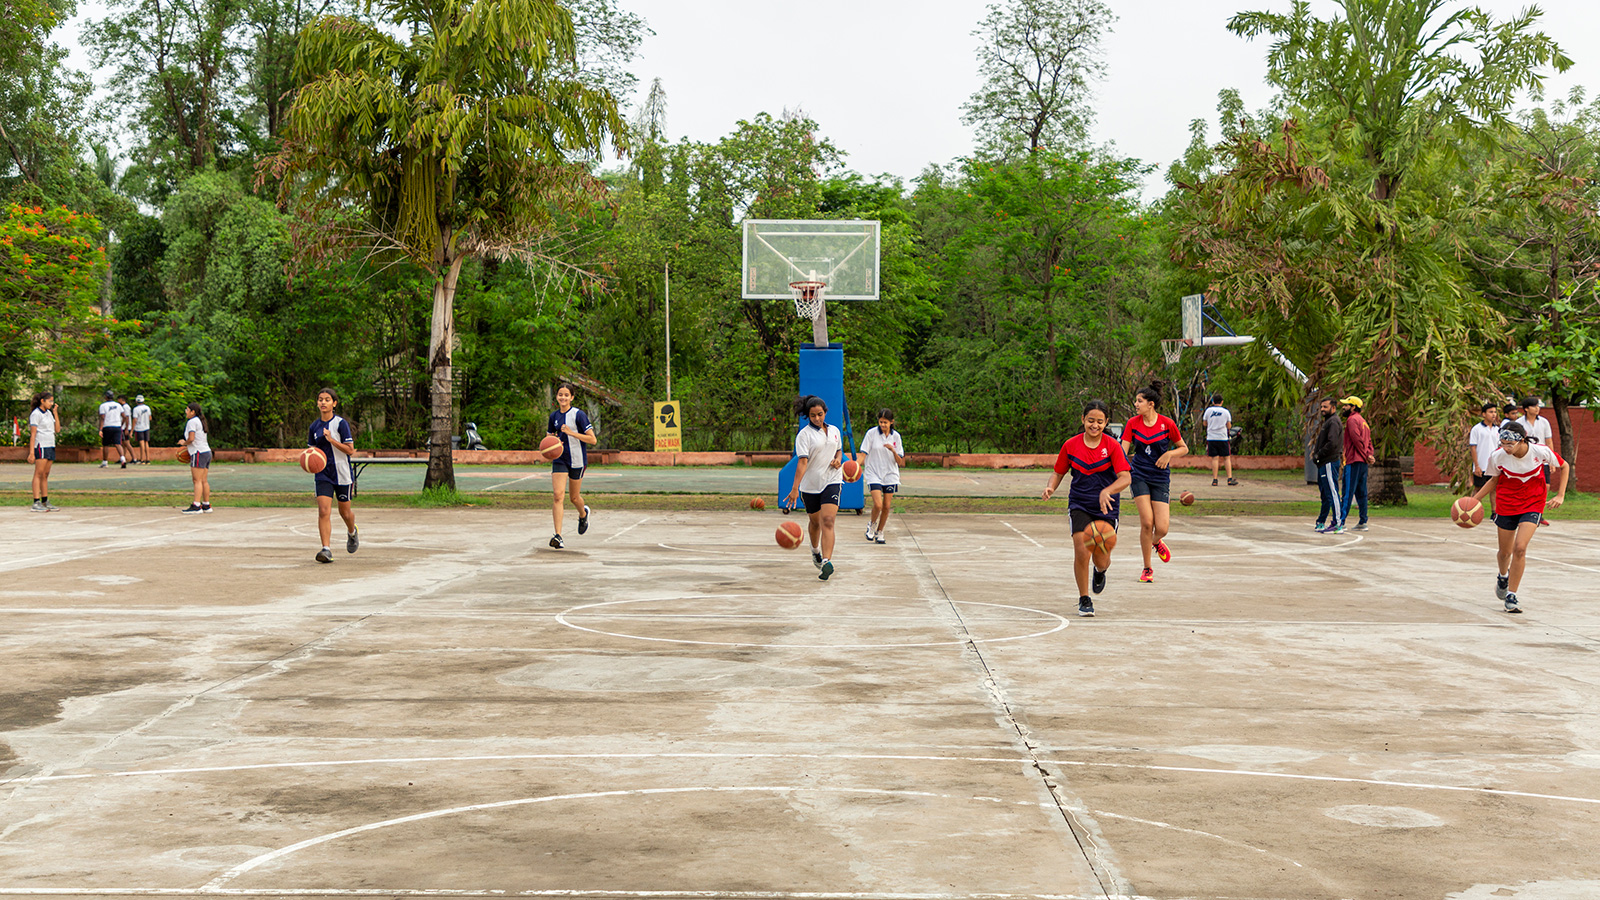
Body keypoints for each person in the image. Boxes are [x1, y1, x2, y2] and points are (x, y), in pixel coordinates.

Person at [1042, 400, 1132, 617]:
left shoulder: (1112, 446)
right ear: (1083, 420)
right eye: (1091, 420)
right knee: (1082, 550)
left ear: (1106, 422)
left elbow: (1126, 477)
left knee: (1101, 557)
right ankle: (1084, 598)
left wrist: (1107, 491)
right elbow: (1059, 471)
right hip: (1080, 503)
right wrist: (1050, 487)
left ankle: (1100, 571)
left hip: (1106, 507)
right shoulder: (1070, 445)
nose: (1095, 425)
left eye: (1100, 422)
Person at [1467, 420, 1567, 614]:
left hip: (1533, 503)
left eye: (1509, 444)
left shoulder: (1540, 451)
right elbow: (1493, 480)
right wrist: (1474, 501)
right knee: (1505, 553)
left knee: (1520, 548)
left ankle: (1511, 596)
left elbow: (1565, 466)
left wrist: (1561, 495)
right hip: (1507, 504)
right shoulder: (1497, 456)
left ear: (1521, 440)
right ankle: (1502, 576)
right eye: (1502, 443)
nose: (1505, 448)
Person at [1121, 384, 1188, 583]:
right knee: (1147, 523)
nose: (1135, 404)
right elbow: (1123, 451)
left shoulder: (1167, 424)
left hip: (1160, 478)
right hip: (1139, 475)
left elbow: (1183, 448)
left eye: (1139, 401)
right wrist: (1118, 470)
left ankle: (1156, 541)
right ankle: (1147, 568)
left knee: (1162, 527)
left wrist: (1169, 453)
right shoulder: (1132, 423)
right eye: (1136, 401)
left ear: (1151, 404)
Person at [784, 394, 843, 580]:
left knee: (828, 520)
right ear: (807, 416)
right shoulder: (804, 435)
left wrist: (838, 460)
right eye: (812, 415)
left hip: (832, 480)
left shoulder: (834, 431)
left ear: (825, 412)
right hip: (810, 485)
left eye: (820, 414)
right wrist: (795, 488)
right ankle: (815, 550)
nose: (817, 418)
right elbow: (802, 462)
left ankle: (826, 561)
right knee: (815, 522)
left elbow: (839, 450)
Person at [308, 387, 358, 563]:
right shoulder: (314, 427)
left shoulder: (340, 424)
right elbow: (312, 451)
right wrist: (308, 461)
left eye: (327, 399)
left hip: (342, 473)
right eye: (320, 399)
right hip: (323, 474)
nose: (323, 402)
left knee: (345, 512)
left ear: (334, 403)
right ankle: (326, 549)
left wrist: (332, 440)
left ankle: (352, 532)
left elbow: (350, 450)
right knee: (323, 511)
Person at [546, 382, 596, 549]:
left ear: (572, 397)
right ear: (557, 397)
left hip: (577, 460)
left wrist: (571, 433)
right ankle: (558, 536)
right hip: (560, 460)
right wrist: (548, 449)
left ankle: (583, 514)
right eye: (560, 394)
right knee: (558, 495)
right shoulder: (553, 417)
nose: (563, 397)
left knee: (574, 498)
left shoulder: (579, 415)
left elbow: (592, 439)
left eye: (566, 395)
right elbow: (549, 439)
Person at [860, 408, 904, 545]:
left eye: (885, 422)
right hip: (874, 472)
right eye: (881, 422)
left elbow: (901, 462)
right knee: (878, 505)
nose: (883, 425)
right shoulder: (871, 434)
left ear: (892, 422)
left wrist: (893, 450)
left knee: (886, 506)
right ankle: (872, 524)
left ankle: (880, 531)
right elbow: (863, 454)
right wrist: (855, 466)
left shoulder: (896, 436)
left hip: (890, 474)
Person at [1338, 396, 1373, 531]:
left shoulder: (1352, 420)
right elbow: (1369, 441)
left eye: (1347, 405)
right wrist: (1369, 455)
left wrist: (1365, 454)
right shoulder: (1364, 422)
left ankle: (1341, 521)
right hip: (1363, 462)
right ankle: (1363, 521)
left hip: (1353, 461)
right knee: (1361, 492)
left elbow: (1356, 439)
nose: (1344, 407)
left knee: (1348, 491)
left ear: (1353, 407)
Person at [1311, 397, 1344, 534]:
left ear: (1333, 408)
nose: (1322, 409)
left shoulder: (1334, 422)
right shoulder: (1328, 422)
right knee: (1325, 493)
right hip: (1323, 463)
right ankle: (1321, 521)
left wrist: (1319, 454)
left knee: (1332, 492)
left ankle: (1338, 523)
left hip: (1329, 462)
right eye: (1321, 407)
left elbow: (1332, 444)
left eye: (1325, 407)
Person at [28, 390, 60, 512]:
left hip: (50, 444)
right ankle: (36, 502)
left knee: (45, 474)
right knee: (38, 473)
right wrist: (31, 452)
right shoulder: (36, 414)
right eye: (50, 401)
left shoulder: (48, 413)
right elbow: (33, 434)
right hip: (41, 445)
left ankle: (45, 501)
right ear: (42, 401)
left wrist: (55, 413)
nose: (52, 403)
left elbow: (57, 430)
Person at [178, 402, 212, 514]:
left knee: (196, 480)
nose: (186, 412)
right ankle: (206, 505)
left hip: (198, 452)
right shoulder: (200, 421)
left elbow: (191, 438)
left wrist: (184, 443)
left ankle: (196, 505)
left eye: (187, 410)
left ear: (193, 412)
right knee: (203, 480)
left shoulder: (192, 422)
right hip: (206, 451)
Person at [1468, 402, 1500, 508]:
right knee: (1478, 489)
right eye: (1491, 412)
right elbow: (1473, 447)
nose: (1493, 414)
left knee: (1494, 489)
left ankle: (1494, 513)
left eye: (1495, 412)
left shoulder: (1498, 430)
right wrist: (1476, 465)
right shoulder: (1476, 429)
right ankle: (1472, 510)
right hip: (1481, 465)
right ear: (1483, 414)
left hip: (1494, 466)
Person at [1202, 394, 1237, 486]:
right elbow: (1229, 426)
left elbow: (1204, 423)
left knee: (1215, 458)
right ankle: (1229, 479)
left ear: (1213, 402)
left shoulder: (1208, 411)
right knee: (1226, 458)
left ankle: (1215, 480)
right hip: (1222, 438)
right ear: (1222, 402)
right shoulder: (1226, 412)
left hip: (1211, 437)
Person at [97, 389, 124, 469]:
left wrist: (100, 429)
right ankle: (123, 458)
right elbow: (124, 416)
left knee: (106, 444)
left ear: (106, 397)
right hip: (117, 426)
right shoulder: (118, 405)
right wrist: (121, 424)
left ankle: (105, 462)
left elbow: (102, 417)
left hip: (107, 426)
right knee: (118, 443)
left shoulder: (103, 406)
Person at [131, 395, 153, 464]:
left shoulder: (136, 409)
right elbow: (150, 418)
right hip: (147, 427)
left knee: (141, 443)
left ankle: (142, 459)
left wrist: (132, 430)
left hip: (139, 427)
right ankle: (148, 459)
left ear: (136, 401)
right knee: (146, 443)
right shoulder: (147, 408)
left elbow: (135, 419)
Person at [116, 395, 135, 468]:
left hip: (125, 427)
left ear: (121, 399)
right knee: (123, 444)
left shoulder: (125, 407)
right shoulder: (123, 407)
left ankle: (134, 458)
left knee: (127, 443)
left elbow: (127, 418)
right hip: (124, 427)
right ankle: (123, 457)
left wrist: (126, 428)